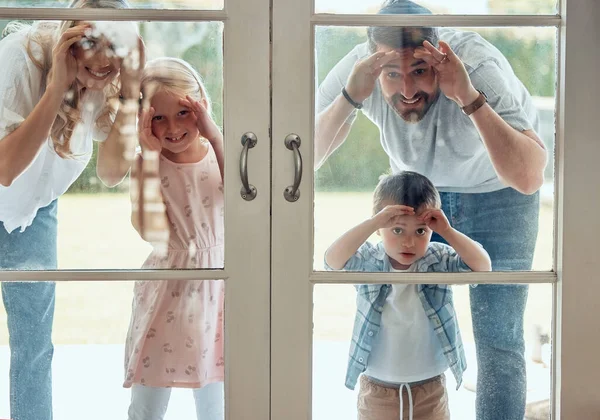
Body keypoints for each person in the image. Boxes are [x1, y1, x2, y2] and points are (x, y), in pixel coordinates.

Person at [315, 0, 547, 418]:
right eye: (392, 75)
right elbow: (302, 159)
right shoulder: (362, 71)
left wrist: (468, 97)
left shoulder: (476, 68)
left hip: (500, 194)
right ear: (374, 62)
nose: (406, 90)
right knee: (395, 313)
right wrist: (352, 96)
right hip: (417, 199)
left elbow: (530, 177)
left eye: (419, 71)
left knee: (499, 339)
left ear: (437, 57)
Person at [0, 1, 142, 419]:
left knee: (34, 346)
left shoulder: (107, 82)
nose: (102, 61)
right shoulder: (20, 60)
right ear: (70, 36)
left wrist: (132, 90)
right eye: (90, 41)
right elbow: (5, 168)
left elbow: (113, 170)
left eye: (115, 45)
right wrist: (54, 88)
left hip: (35, 212)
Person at [325, 171, 491, 420]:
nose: (409, 242)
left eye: (420, 232)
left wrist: (446, 230)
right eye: (398, 230)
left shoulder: (436, 259)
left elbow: (482, 266)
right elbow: (332, 261)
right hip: (378, 389)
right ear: (381, 228)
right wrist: (373, 224)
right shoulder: (370, 260)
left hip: (430, 388)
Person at [124, 57, 225, 420]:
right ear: (143, 120)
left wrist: (214, 134)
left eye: (183, 113)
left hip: (218, 289)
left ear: (202, 108)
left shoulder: (221, 152)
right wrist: (149, 158)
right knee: (147, 403)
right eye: (159, 118)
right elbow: (150, 232)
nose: (172, 128)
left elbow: (247, 201)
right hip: (167, 289)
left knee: (217, 400)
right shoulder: (145, 164)